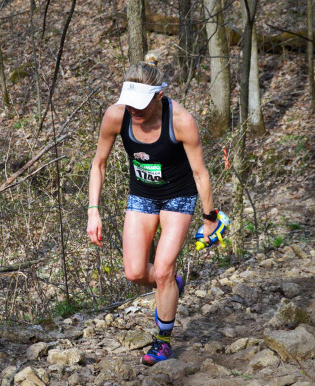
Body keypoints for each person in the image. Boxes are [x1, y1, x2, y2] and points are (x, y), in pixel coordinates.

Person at [86, 52, 220, 366]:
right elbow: (99, 164)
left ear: (159, 96)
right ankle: (170, 285)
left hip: (178, 196)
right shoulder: (116, 116)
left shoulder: (181, 120)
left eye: (140, 105)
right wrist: (93, 210)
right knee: (135, 272)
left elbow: (200, 173)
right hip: (142, 196)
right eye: (129, 103)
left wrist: (210, 218)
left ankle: (162, 342)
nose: (133, 110)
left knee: (162, 270)